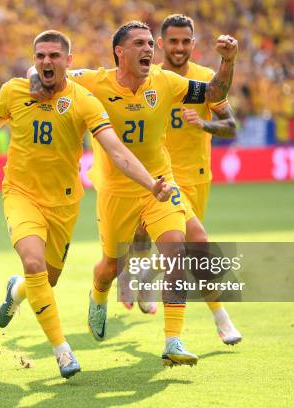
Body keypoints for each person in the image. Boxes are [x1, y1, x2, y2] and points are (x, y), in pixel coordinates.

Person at [0, 30, 172, 379]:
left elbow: (116, 150)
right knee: (32, 261)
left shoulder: (84, 101)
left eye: (54, 56)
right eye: (40, 56)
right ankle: (63, 351)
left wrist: (151, 183)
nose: (46, 62)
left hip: (63, 203)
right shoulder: (15, 91)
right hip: (21, 194)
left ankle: (18, 290)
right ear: (33, 59)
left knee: (47, 278)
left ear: (68, 62)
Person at [29, 21, 237, 367]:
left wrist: (228, 62)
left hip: (159, 185)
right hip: (116, 190)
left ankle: (173, 339)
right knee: (111, 265)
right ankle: (98, 295)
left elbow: (214, 93)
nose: (148, 50)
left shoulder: (167, 81)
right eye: (139, 44)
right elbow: (43, 68)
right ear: (119, 52)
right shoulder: (93, 81)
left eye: (148, 44)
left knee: (176, 250)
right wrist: (38, 80)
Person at [125, 14, 242, 346]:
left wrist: (203, 125)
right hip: (159, 179)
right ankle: (221, 318)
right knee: (189, 244)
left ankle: (148, 276)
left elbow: (231, 126)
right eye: (172, 41)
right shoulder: (150, 80)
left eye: (185, 41)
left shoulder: (206, 81)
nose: (179, 47)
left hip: (197, 178)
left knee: (186, 248)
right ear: (160, 44)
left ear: (193, 43)